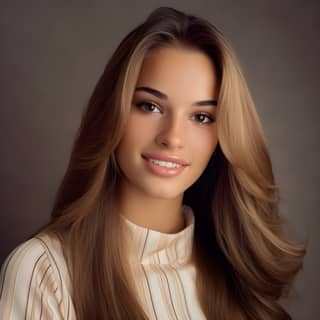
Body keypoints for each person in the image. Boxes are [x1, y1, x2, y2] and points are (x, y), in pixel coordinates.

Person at [0, 6, 305, 320]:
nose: (172, 138)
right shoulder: (45, 272)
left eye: (201, 117)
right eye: (150, 106)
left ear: (223, 136)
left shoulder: (237, 278)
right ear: (112, 114)